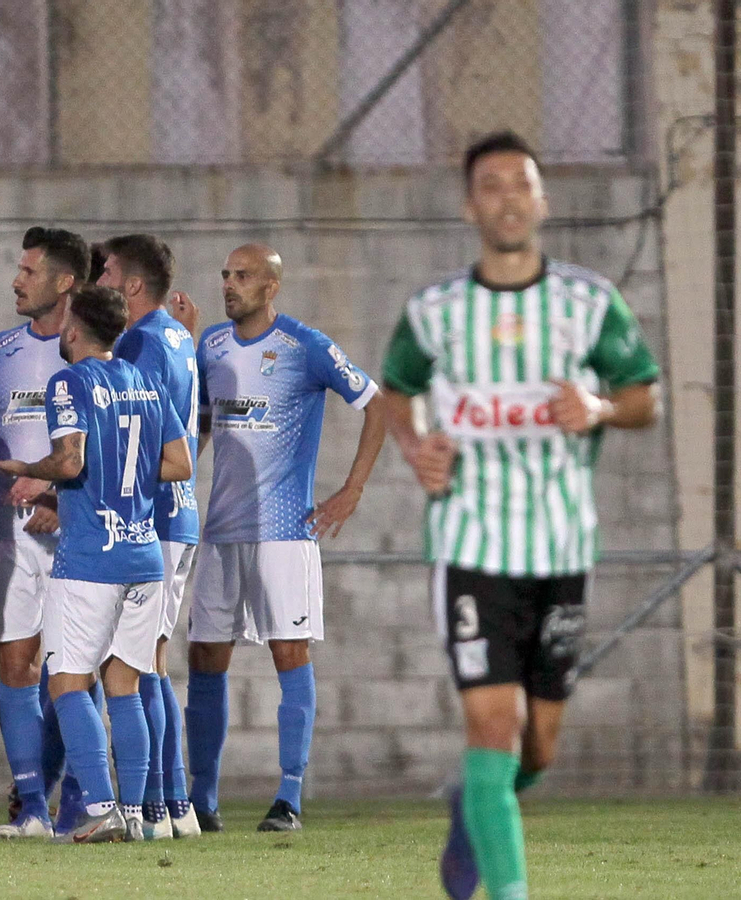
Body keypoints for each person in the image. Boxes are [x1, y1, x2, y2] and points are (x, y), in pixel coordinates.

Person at [378, 131, 660, 900]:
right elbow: (396, 387)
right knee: (493, 729)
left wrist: (599, 406)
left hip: (561, 548)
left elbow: (644, 395)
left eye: (520, 184)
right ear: (471, 207)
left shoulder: (588, 302)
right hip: (471, 546)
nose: (507, 198)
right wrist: (416, 447)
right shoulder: (435, 312)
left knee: (538, 748)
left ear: (542, 200)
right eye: (491, 185)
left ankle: (474, 807)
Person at [186, 242, 387, 834]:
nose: (229, 284)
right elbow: (203, 423)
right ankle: (203, 800)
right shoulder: (211, 345)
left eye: (243, 276)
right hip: (220, 530)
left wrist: (351, 490)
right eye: (226, 274)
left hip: (283, 531)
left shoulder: (305, 346)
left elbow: (377, 405)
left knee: (289, 652)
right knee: (205, 656)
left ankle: (289, 797)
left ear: (271, 286)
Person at [0, 284, 193, 844]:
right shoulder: (148, 382)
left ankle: (102, 808)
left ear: (76, 329)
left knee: (67, 683)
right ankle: (137, 813)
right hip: (145, 555)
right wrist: (123, 470)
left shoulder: (70, 381)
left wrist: (27, 468)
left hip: (91, 558)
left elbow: (69, 460)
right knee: (125, 686)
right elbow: (180, 464)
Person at [0, 226, 90, 838]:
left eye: (29, 271)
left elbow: (109, 442)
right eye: (18, 270)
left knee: (79, 669)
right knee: (16, 664)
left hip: (79, 532)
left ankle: (76, 801)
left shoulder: (98, 351)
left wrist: (61, 499)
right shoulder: (1, 349)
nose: (16, 281)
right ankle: (33, 808)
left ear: (65, 281)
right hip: (8, 532)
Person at [98, 233, 202, 839]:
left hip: (153, 515)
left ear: (132, 284)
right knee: (154, 662)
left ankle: (161, 805)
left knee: (136, 666)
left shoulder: (138, 341)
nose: (99, 280)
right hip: (180, 513)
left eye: (108, 272)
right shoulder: (178, 337)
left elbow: (131, 432)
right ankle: (176, 803)